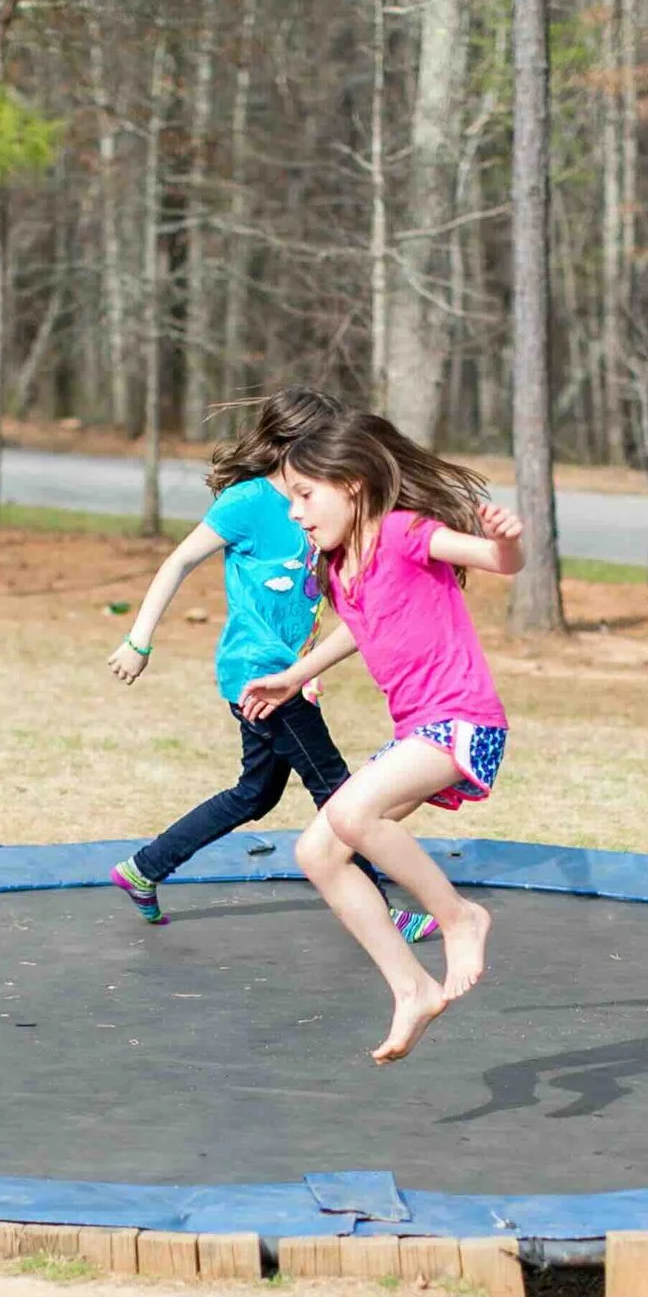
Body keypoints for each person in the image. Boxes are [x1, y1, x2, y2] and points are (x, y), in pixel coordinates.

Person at [238, 411, 523, 1064]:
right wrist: (293, 676)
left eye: (306, 496)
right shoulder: (342, 568)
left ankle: (459, 917)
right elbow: (362, 629)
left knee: (349, 809)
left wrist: (505, 543)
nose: (297, 514)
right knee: (318, 852)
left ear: (354, 484)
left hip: (464, 720)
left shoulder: (404, 531)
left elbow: (493, 559)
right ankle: (413, 987)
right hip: (419, 731)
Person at [105, 388, 436, 946]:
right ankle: (380, 911)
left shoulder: (318, 506)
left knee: (255, 792)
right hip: (258, 674)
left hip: (288, 674)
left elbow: (313, 596)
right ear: (291, 446)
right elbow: (179, 560)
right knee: (337, 790)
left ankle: (145, 866)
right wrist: (139, 640)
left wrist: (309, 664)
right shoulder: (248, 503)